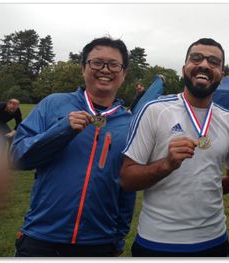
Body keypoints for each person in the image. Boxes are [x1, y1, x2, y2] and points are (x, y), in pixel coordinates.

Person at [10, 36, 136, 257]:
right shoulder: (53, 104)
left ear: (124, 73)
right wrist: (62, 130)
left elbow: (127, 186)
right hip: (42, 238)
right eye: (97, 62)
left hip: (99, 243)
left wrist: (118, 237)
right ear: (83, 68)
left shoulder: (129, 124)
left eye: (114, 64)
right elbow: (17, 157)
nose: (105, 69)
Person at [120, 38, 229, 257]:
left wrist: (202, 188)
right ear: (184, 67)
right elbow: (127, 179)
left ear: (221, 74)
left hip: (214, 241)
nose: (204, 64)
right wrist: (166, 165)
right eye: (196, 58)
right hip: (157, 242)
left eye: (214, 61)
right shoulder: (154, 111)